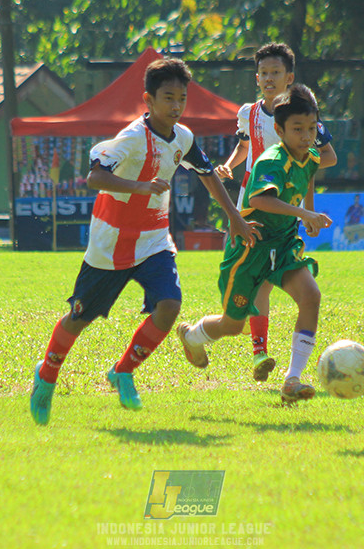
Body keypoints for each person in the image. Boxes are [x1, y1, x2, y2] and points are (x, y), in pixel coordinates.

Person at [29, 58, 259, 426]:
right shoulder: (133, 138)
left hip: (154, 239)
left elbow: (207, 175)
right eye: (168, 98)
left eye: (181, 98)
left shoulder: (182, 137)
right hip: (111, 244)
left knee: (169, 305)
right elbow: (94, 178)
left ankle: (123, 371)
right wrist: (139, 187)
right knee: (79, 318)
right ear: (148, 100)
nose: (176, 106)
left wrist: (234, 217)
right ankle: (48, 374)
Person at [177, 84, 332, 403]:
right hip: (252, 243)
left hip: (284, 243)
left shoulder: (310, 155)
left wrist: (309, 212)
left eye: (311, 128)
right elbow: (260, 199)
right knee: (233, 325)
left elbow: (310, 174)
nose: (306, 136)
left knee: (311, 296)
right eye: (297, 129)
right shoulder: (272, 160)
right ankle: (192, 336)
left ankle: (292, 380)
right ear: (279, 129)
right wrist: (303, 211)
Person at [213, 43, 336, 382]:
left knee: (268, 281)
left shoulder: (304, 116)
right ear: (257, 78)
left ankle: (264, 356)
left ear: (289, 78)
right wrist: (228, 165)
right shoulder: (249, 113)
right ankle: (259, 351)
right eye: (264, 73)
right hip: (254, 201)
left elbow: (324, 156)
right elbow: (243, 145)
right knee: (256, 279)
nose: (269, 79)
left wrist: (303, 203)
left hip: (284, 204)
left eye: (276, 73)